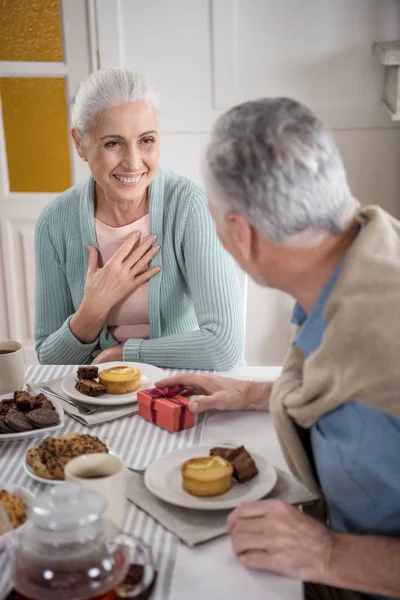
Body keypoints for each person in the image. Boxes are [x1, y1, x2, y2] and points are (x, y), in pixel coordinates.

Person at [156, 98, 400, 599]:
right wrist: (252, 393)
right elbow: (343, 388)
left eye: (216, 221)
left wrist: (329, 553)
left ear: (241, 235)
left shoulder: (385, 350)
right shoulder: (368, 252)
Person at [34, 68, 244, 369]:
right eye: (112, 143)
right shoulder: (55, 222)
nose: (133, 163)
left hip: (181, 386)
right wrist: (93, 308)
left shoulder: (189, 206)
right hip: (98, 398)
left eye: (146, 140)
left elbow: (225, 346)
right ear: (80, 143)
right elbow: (49, 358)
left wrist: (127, 355)